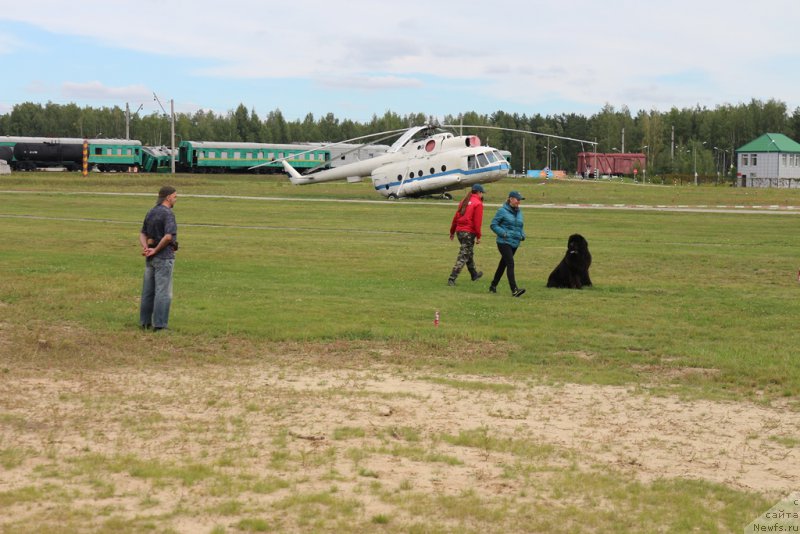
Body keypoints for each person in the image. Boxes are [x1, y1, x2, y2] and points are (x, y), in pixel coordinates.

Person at [139, 185, 178, 331]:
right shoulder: (168, 214)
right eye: (175, 196)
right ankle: (160, 325)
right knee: (163, 292)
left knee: (148, 291)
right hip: (164, 257)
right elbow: (168, 236)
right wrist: (155, 250)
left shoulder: (151, 211)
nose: (176, 199)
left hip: (150, 258)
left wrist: (146, 248)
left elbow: (142, 233)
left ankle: (145, 322)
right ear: (168, 197)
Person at [489, 191, 526, 297]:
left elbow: (520, 226)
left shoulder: (519, 212)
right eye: (517, 199)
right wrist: (503, 233)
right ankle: (514, 290)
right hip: (503, 242)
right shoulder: (502, 211)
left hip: (515, 242)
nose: (519, 202)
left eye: (520, 200)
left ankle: (493, 285)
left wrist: (522, 235)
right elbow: (493, 225)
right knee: (510, 263)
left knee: (503, 265)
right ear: (510, 199)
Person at [448, 184, 485, 286]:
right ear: (479, 193)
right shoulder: (478, 203)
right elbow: (477, 222)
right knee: (464, 255)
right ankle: (452, 278)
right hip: (469, 232)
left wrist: (452, 231)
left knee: (468, 253)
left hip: (459, 231)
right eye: (482, 193)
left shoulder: (464, 201)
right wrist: (479, 236)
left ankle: (474, 275)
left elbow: (456, 217)